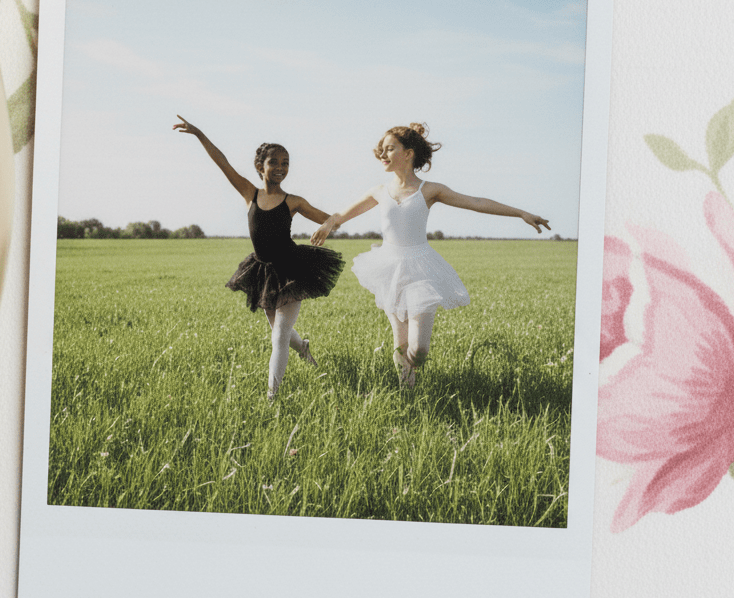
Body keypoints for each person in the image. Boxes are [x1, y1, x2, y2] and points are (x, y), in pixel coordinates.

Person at [311, 123, 549, 388]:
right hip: (389, 267)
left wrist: (521, 213)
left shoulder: (429, 190)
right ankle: (407, 394)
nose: (383, 154)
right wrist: (328, 224)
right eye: (382, 150)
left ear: (409, 153)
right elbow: (341, 215)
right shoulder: (378, 191)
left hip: (420, 269)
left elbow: (476, 202)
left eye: (390, 149)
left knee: (419, 351)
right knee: (399, 342)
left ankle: (412, 368)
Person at [173, 116, 344, 398]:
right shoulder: (249, 193)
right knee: (281, 331)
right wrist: (199, 133)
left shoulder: (294, 201)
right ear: (260, 166)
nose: (280, 168)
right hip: (263, 271)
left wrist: (328, 225)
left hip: (292, 268)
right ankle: (304, 349)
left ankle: (272, 398)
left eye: (285, 163)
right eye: (274, 162)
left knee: (278, 336)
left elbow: (335, 220)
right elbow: (222, 162)